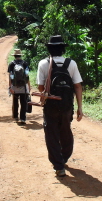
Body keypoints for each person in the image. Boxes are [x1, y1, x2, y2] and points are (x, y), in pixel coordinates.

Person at [36, 35, 83, 177]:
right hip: (67, 105)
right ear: (63, 48)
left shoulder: (43, 63)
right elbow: (77, 86)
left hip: (51, 104)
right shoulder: (71, 63)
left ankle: (58, 166)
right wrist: (80, 107)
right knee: (65, 131)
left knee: (51, 134)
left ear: (50, 48)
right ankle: (64, 157)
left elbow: (40, 87)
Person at [8, 49, 31, 125]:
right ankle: (23, 118)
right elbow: (27, 76)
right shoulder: (25, 63)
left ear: (14, 56)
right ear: (20, 55)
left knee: (15, 102)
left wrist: (10, 87)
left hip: (14, 86)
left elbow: (10, 76)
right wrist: (29, 86)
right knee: (23, 102)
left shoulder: (11, 64)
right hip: (23, 86)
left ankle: (15, 116)